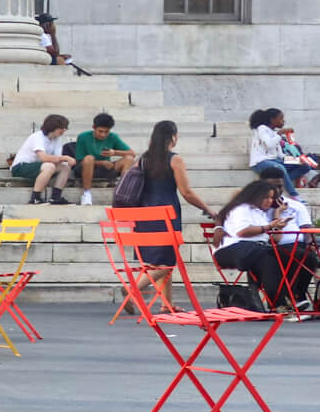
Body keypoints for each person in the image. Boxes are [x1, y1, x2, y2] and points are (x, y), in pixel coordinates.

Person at [128, 120, 216, 310]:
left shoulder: (142, 160)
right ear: (173, 137)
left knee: (162, 260)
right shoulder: (174, 159)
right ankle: (132, 289)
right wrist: (209, 210)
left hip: (144, 215)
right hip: (165, 215)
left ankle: (166, 304)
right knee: (166, 262)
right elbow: (187, 192)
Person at [211, 179, 299, 309]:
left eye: (271, 198)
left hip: (254, 250)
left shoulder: (261, 213)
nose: (269, 201)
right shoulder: (241, 209)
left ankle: (297, 296)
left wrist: (277, 218)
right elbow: (242, 232)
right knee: (267, 257)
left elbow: (276, 239)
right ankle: (279, 302)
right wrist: (268, 226)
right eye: (266, 197)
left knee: (297, 255)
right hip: (233, 250)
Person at [11, 114, 75, 205]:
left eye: (65, 128)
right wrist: (65, 157)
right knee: (49, 166)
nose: (64, 130)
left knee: (65, 166)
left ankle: (56, 197)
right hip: (20, 167)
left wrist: (66, 160)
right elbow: (44, 158)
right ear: (53, 126)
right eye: (61, 127)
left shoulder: (57, 139)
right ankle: (35, 198)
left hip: (40, 167)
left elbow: (57, 159)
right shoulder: (38, 136)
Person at [74, 112, 135, 206]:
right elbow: (79, 160)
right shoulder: (83, 136)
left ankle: (123, 190)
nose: (103, 135)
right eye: (100, 131)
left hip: (106, 168)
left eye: (106, 132)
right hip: (86, 168)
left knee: (129, 159)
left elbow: (132, 153)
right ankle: (86, 193)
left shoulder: (113, 137)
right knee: (89, 158)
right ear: (94, 128)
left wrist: (115, 152)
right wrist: (101, 163)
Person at [248, 109, 305, 199]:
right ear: (272, 120)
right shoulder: (262, 128)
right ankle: (294, 195)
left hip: (276, 160)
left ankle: (285, 182)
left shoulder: (275, 133)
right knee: (280, 168)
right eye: (281, 118)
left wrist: (296, 160)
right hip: (260, 162)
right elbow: (269, 144)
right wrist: (280, 133)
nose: (283, 121)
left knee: (304, 165)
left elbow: (280, 155)